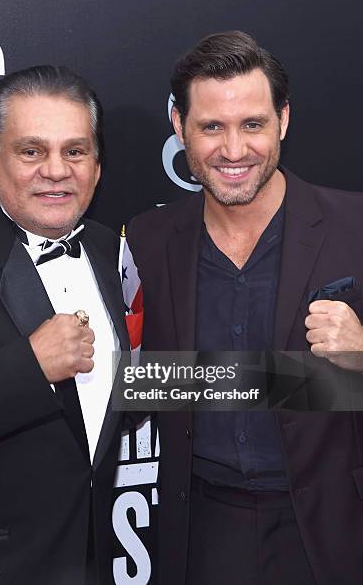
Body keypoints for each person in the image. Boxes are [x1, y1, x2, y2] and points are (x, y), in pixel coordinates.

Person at [128, 31, 363, 584]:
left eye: (252, 124)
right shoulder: (147, 239)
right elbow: (139, 383)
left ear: (283, 119)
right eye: (211, 126)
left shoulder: (356, 226)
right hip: (203, 528)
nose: (233, 151)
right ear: (178, 126)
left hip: (338, 529)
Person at [0, 65, 129, 584]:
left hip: (92, 557)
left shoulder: (114, 252)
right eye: (32, 151)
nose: (57, 170)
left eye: (75, 151)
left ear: (97, 166)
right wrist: (29, 368)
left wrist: (304, 381)